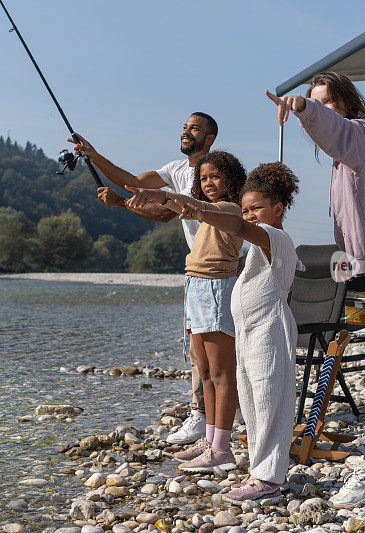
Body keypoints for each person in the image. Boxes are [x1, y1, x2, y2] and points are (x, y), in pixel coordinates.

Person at [266, 71, 365, 508]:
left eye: (328, 102)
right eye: (318, 102)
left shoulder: (361, 135)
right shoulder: (347, 153)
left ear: (347, 104)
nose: (322, 111)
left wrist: (302, 106)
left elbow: (334, 128)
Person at [68, 113, 219, 445]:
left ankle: (211, 419)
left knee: (211, 350)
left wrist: (123, 203)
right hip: (196, 269)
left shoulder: (213, 173)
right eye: (184, 126)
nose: (185, 131)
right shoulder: (176, 170)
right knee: (197, 349)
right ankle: (203, 415)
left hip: (220, 268)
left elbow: (166, 212)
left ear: (208, 139)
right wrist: (93, 155)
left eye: (194, 128)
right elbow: (132, 181)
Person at [171, 162, 301, 503]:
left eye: (256, 209)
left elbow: (234, 224)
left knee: (269, 403)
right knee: (256, 405)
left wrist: (200, 209)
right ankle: (261, 474)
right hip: (250, 336)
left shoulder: (277, 238)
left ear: (278, 208)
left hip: (268, 335)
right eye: (246, 209)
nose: (249, 216)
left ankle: (269, 481)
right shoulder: (261, 248)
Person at [125, 151, 247, 472]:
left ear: (231, 180)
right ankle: (209, 440)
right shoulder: (201, 209)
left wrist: (165, 196)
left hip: (217, 289)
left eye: (215, 177)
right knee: (204, 371)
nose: (208, 183)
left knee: (222, 373)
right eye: (203, 178)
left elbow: (202, 210)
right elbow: (189, 207)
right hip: (195, 287)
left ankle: (222, 447)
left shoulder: (231, 210)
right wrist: (158, 197)